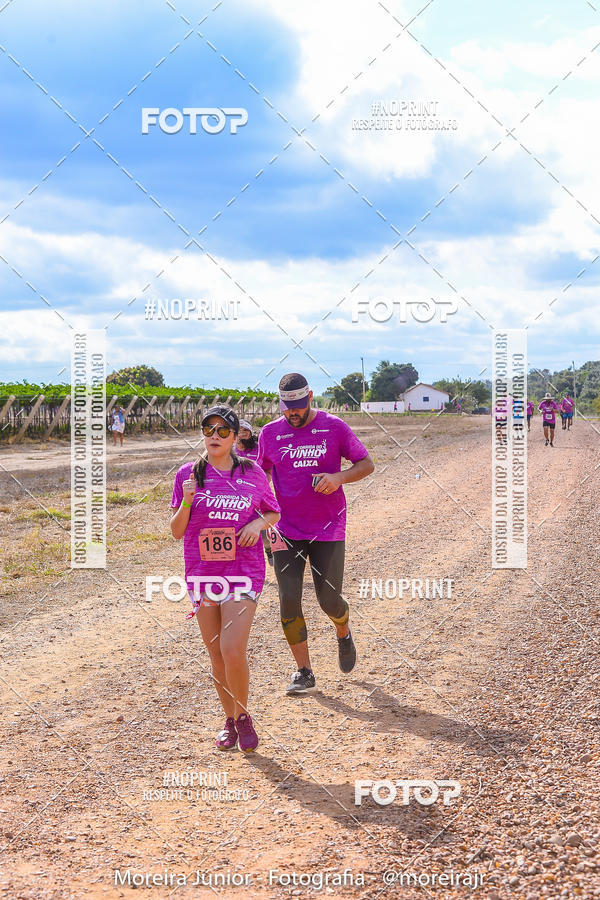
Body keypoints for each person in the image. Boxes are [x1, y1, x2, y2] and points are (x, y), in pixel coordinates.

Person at [170, 405, 280, 752]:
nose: (214, 436)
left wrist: (255, 524)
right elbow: (176, 532)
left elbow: (273, 511)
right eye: (208, 429)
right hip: (202, 575)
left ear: (235, 437)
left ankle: (244, 716)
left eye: (222, 431)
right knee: (216, 653)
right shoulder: (188, 475)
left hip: (243, 572)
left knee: (233, 649)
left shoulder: (252, 473)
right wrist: (186, 502)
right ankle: (229, 720)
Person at [258, 373, 374, 695]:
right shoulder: (270, 433)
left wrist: (338, 478)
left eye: (297, 405)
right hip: (285, 530)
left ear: (310, 396)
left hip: (328, 528)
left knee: (328, 600)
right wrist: (262, 518)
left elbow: (366, 464)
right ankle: (304, 672)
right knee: (288, 599)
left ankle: (343, 630)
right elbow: (261, 474)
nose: (292, 413)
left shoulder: (334, 427)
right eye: (286, 407)